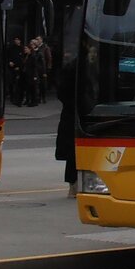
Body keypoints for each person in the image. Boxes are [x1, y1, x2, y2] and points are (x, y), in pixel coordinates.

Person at [55, 59, 77, 198]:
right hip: (74, 116)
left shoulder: (71, 66)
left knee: (72, 154)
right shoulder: (77, 67)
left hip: (70, 116)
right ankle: (74, 186)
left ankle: (73, 186)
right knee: (73, 153)